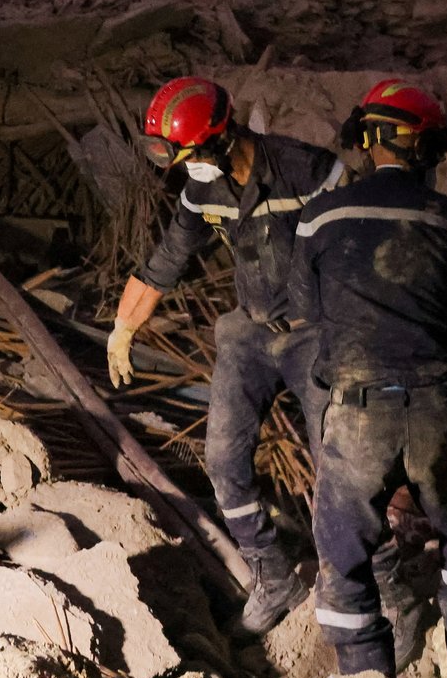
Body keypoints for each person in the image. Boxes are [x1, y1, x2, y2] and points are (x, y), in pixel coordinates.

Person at [109, 76, 344, 635]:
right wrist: (122, 327)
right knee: (222, 461)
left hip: (317, 330)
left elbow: (357, 253)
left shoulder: (307, 171)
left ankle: (358, 581)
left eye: (186, 154)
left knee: (340, 466)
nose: (181, 169)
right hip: (252, 329)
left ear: (220, 139)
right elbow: (165, 260)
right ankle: (273, 575)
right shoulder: (201, 188)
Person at [289, 80, 447, 678]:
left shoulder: (320, 215)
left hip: (354, 417)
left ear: (366, 142)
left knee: (347, 562)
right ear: (427, 151)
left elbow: (305, 307)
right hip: (439, 408)